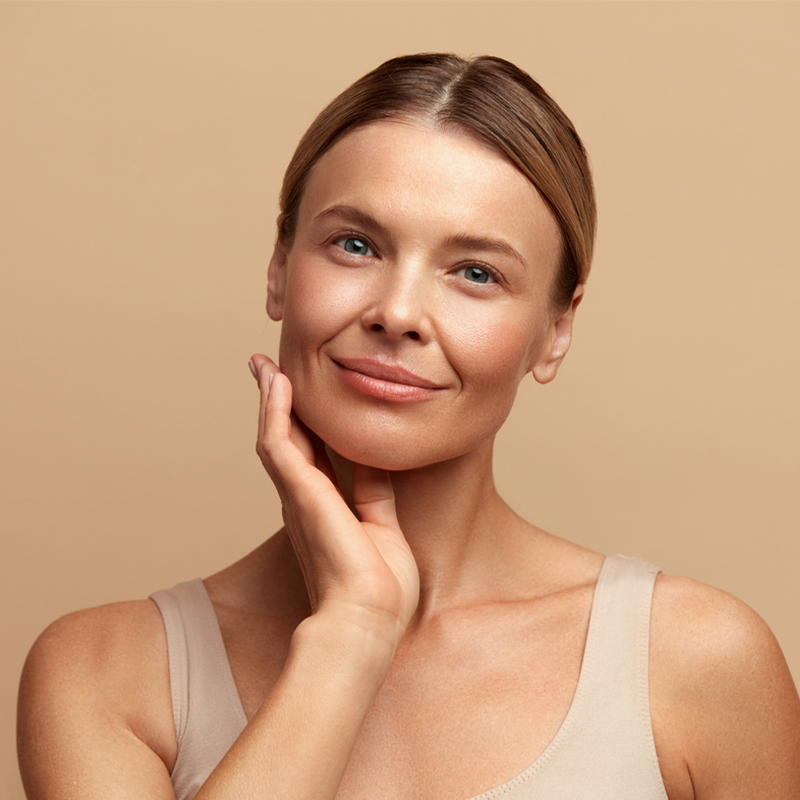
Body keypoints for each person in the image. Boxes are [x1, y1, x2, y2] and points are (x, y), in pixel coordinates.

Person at [17, 53, 800, 800]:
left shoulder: (697, 662)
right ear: (280, 266)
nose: (396, 314)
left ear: (556, 328)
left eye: (476, 273)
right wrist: (351, 633)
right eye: (354, 244)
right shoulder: (103, 673)